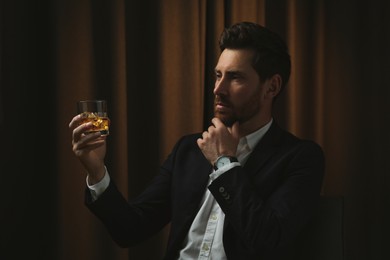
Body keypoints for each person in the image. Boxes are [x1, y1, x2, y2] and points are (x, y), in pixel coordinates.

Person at [69, 21, 325, 260]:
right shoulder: (188, 150)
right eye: (217, 75)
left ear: (272, 87)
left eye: (235, 77)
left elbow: (268, 238)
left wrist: (224, 163)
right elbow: (130, 230)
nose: (218, 89)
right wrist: (96, 170)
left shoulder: (300, 158)